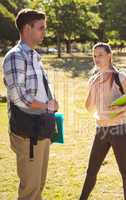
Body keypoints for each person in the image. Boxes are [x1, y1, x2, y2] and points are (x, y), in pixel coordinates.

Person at [2, 9, 59, 200]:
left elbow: (37, 91)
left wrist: (50, 104)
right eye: (41, 28)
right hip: (28, 133)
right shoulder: (16, 56)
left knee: (38, 186)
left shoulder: (34, 56)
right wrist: (46, 106)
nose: (44, 33)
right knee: (30, 191)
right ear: (27, 28)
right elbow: (20, 98)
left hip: (40, 128)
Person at [79, 42, 126, 200]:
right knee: (91, 171)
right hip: (101, 130)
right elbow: (89, 108)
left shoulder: (120, 77)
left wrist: (118, 109)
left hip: (119, 130)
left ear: (109, 56)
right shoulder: (94, 79)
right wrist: (92, 90)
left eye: (100, 55)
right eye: (95, 55)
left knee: (125, 171)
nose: (97, 58)